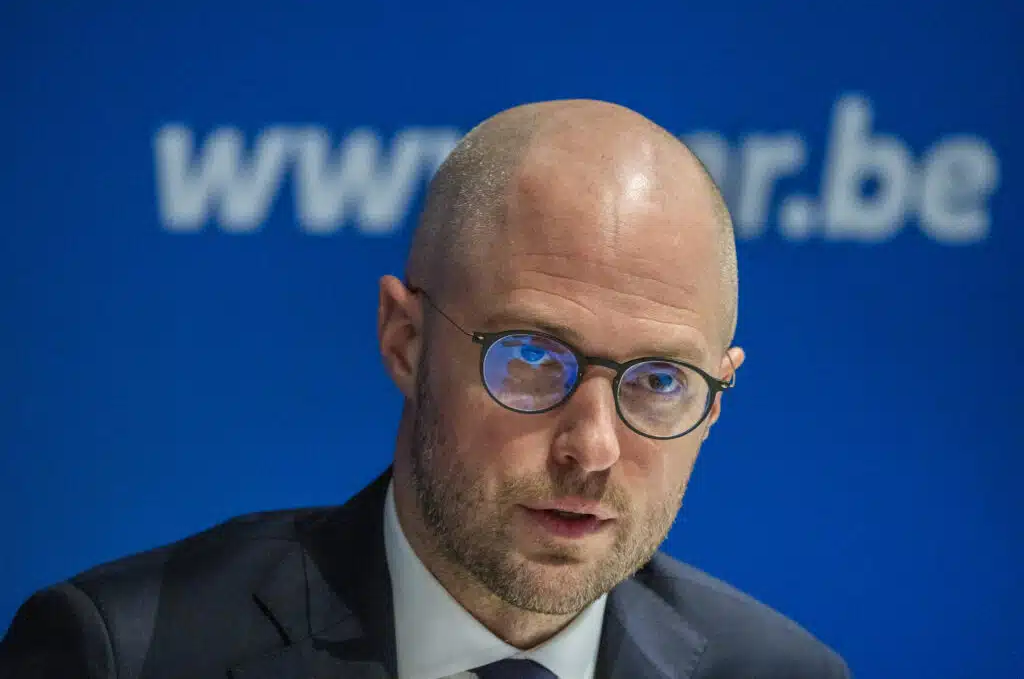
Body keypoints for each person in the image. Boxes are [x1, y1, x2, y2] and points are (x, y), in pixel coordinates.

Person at [0, 100, 852, 679]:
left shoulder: (781, 671)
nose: (593, 447)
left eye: (660, 380)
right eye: (532, 356)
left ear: (716, 398)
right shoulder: (127, 653)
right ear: (405, 342)